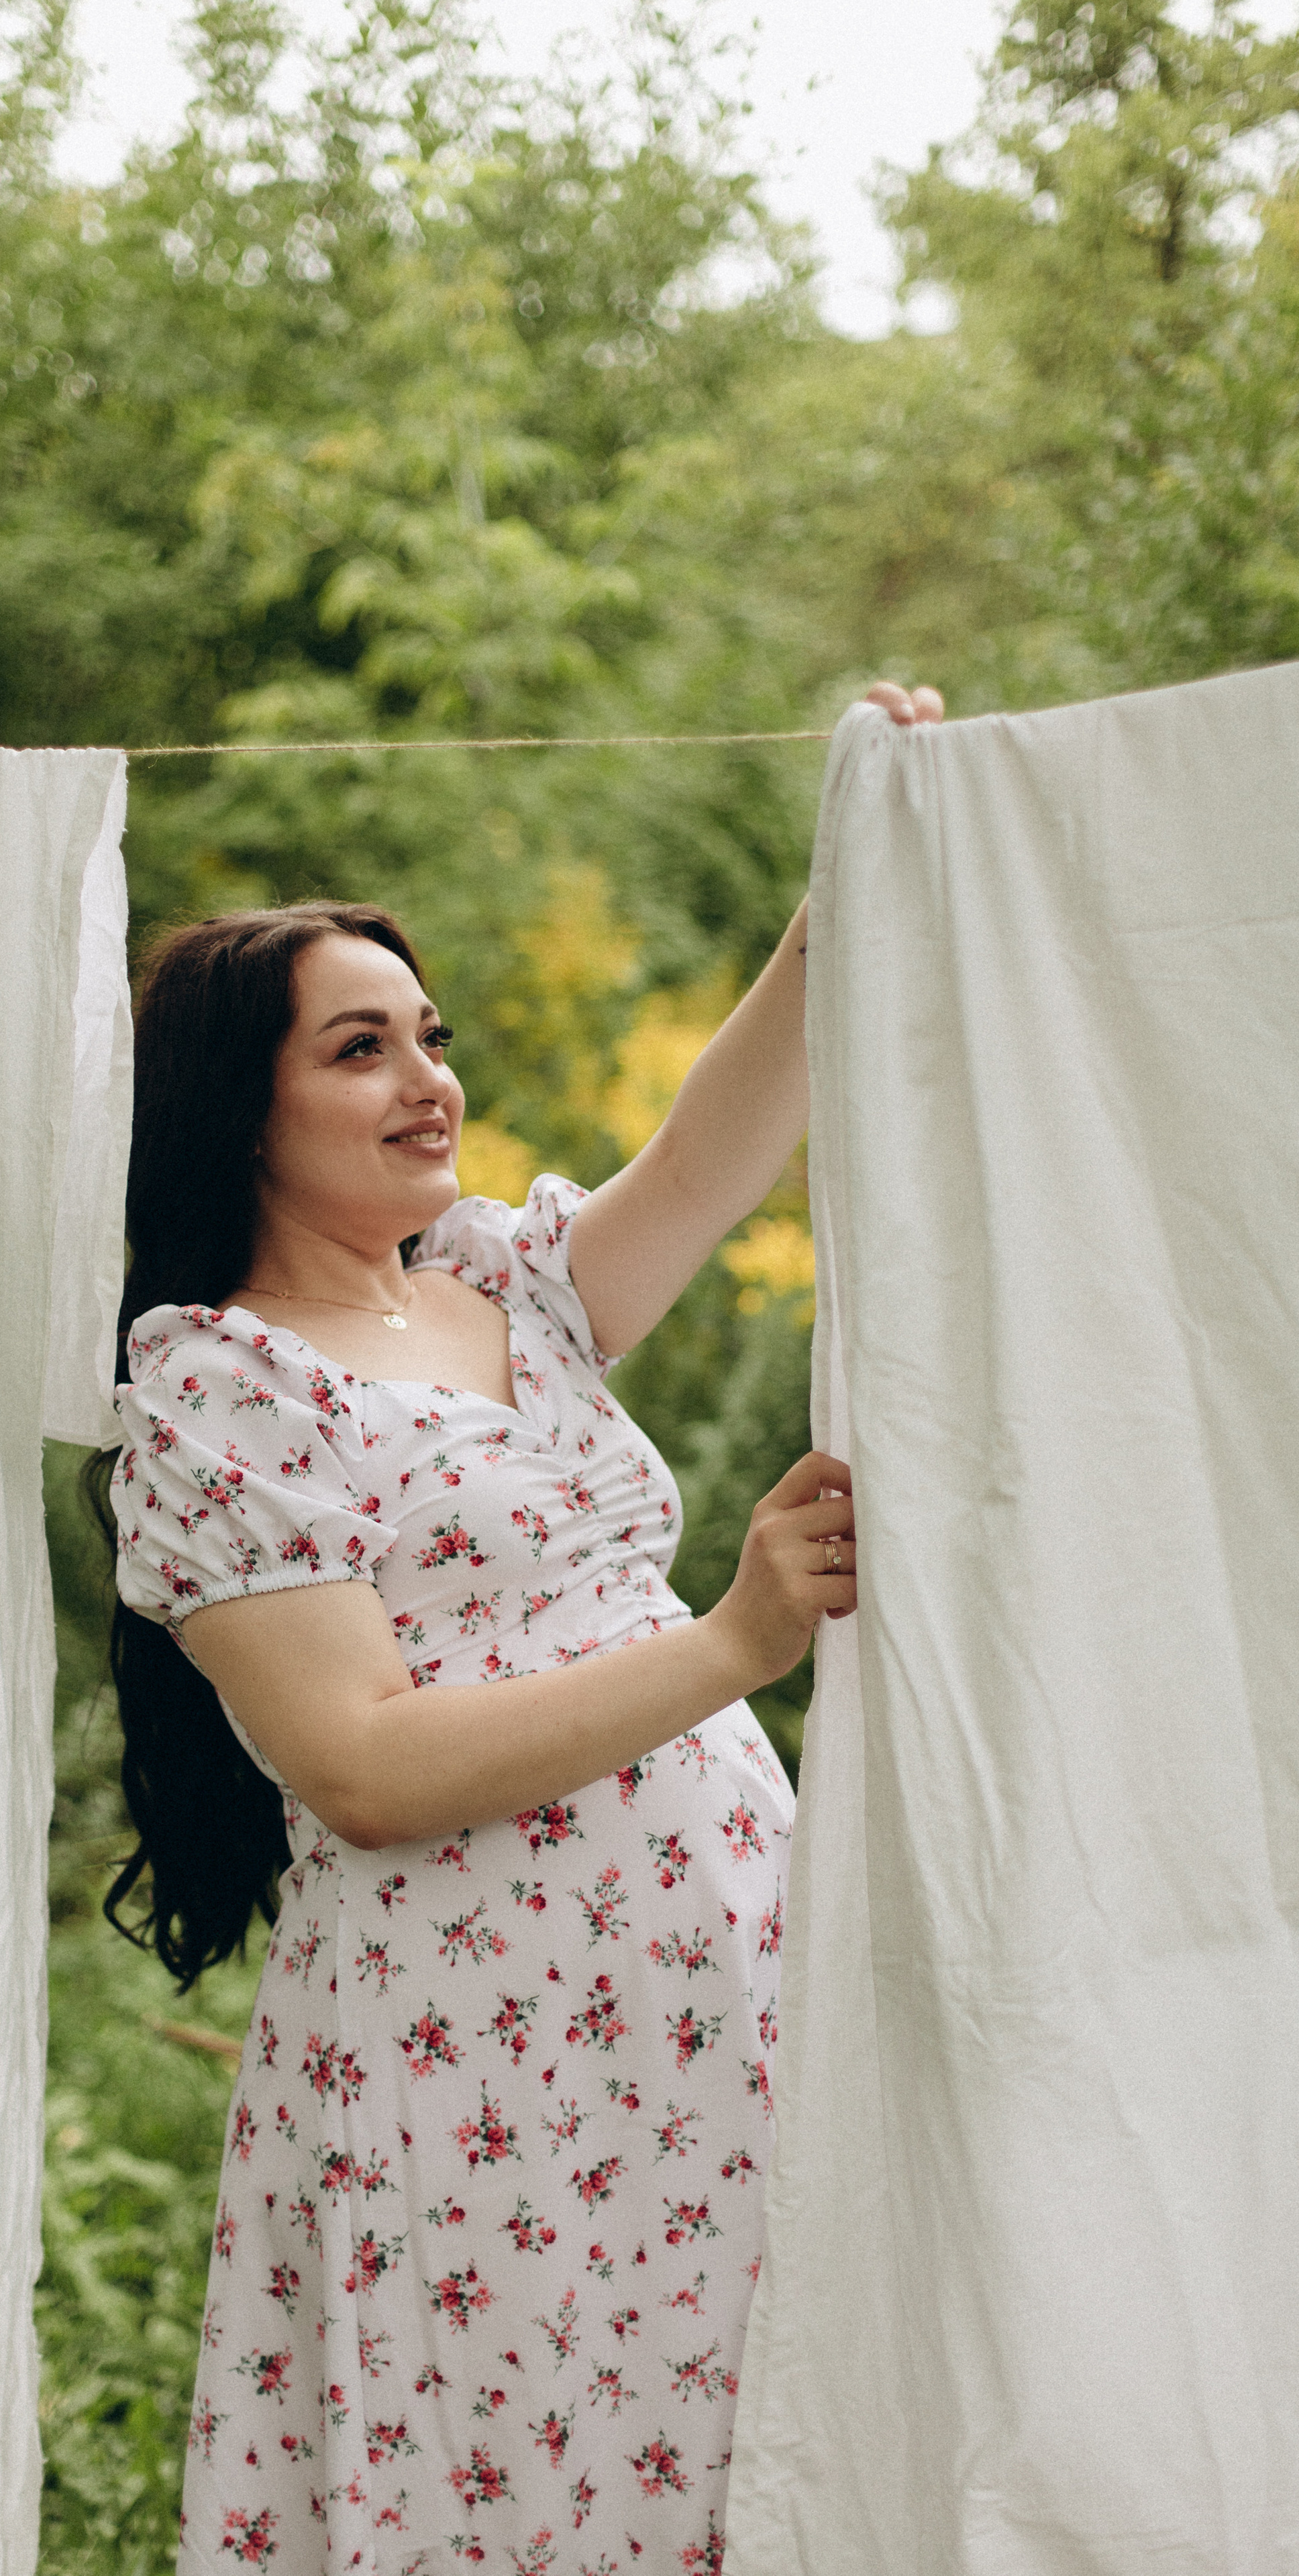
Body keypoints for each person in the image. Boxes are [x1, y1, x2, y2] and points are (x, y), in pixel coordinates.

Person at [101, 683, 942, 2576]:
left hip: (719, 1980)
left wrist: (844, 882)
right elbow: (370, 1769)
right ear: (241, 1105)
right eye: (360, 1050)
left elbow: (716, 1154)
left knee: (774, 2453)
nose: (430, 1083)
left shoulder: (499, 1281)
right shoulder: (216, 1391)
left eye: (433, 1037)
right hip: (480, 2046)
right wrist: (731, 1643)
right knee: (542, 2493)